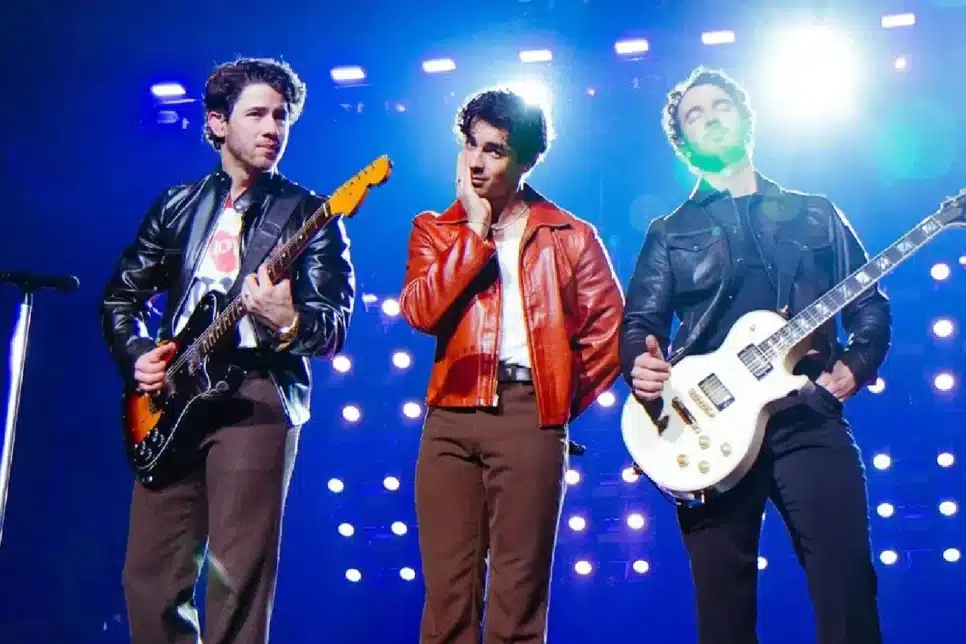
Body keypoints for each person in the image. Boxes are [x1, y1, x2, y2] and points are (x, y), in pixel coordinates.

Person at [620, 67, 891, 644]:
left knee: (847, 588)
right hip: (706, 425)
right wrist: (638, 363)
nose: (710, 118)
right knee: (723, 614)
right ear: (682, 142)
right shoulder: (669, 231)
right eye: (694, 115)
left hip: (805, 414)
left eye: (720, 106)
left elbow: (868, 302)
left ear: (745, 117)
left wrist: (856, 365)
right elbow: (640, 322)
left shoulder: (814, 212)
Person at [100, 57, 355, 644]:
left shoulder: (311, 215)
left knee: (236, 579)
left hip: (256, 395)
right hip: (173, 397)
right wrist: (137, 351)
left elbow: (332, 326)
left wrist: (288, 320)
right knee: (148, 579)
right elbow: (121, 297)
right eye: (257, 114)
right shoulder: (178, 204)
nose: (273, 128)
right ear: (217, 123)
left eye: (281, 117)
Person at [400, 88, 624, 643]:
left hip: (530, 416)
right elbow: (421, 311)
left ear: (526, 161)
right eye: (471, 145)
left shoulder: (570, 236)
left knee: (517, 596)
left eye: (495, 150)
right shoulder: (435, 229)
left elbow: (609, 333)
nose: (476, 162)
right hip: (449, 418)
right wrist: (474, 231)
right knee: (447, 598)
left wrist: (555, 400)